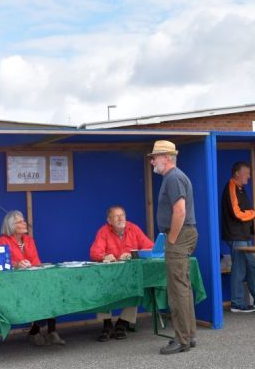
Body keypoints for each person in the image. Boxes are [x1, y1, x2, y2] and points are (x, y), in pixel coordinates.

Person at [149, 140, 198, 355]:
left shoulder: (173, 178)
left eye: (155, 157)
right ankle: (189, 335)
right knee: (183, 288)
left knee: (177, 290)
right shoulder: (175, 177)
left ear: (166, 158)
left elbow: (180, 212)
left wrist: (171, 239)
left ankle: (182, 339)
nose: (152, 161)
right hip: (183, 234)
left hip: (179, 236)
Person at [0, 210, 65, 346]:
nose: (24, 223)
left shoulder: (29, 240)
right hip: (14, 284)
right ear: (11, 226)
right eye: (20, 221)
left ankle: (50, 331)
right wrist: (16, 265)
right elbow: (0, 264)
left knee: (52, 291)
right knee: (41, 295)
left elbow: (36, 261)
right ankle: (35, 331)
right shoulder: (2, 241)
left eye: (23, 220)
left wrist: (38, 267)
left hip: (32, 280)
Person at [89, 205, 154, 341]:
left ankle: (122, 323)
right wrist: (104, 256)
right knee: (101, 288)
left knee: (136, 286)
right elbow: (94, 252)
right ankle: (107, 325)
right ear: (109, 220)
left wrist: (133, 254)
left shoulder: (133, 228)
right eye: (116, 216)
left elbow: (150, 247)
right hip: (109, 275)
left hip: (129, 274)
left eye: (122, 215)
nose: (120, 218)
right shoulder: (103, 231)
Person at [221, 161, 255, 312]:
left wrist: (254, 213)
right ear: (237, 173)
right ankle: (237, 303)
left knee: (252, 266)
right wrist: (254, 213)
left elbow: (243, 211)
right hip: (236, 235)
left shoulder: (241, 188)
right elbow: (236, 213)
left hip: (244, 235)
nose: (249, 176)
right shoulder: (231, 186)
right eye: (246, 173)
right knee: (239, 269)